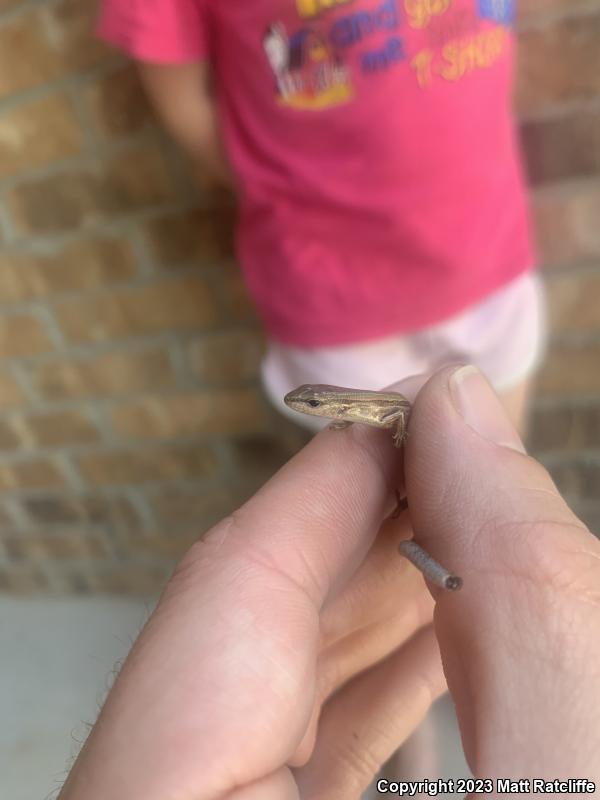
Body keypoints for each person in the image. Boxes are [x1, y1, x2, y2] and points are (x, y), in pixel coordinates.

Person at [58, 366, 600, 799]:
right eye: (313, 405)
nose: (306, 410)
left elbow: (398, 419)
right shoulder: (358, 416)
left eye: (313, 406)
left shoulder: (373, 412)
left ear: (333, 407)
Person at [97, 0, 545, 436]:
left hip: (492, 255)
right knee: (396, 503)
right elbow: (186, 105)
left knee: (504, 476)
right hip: (333, 291)